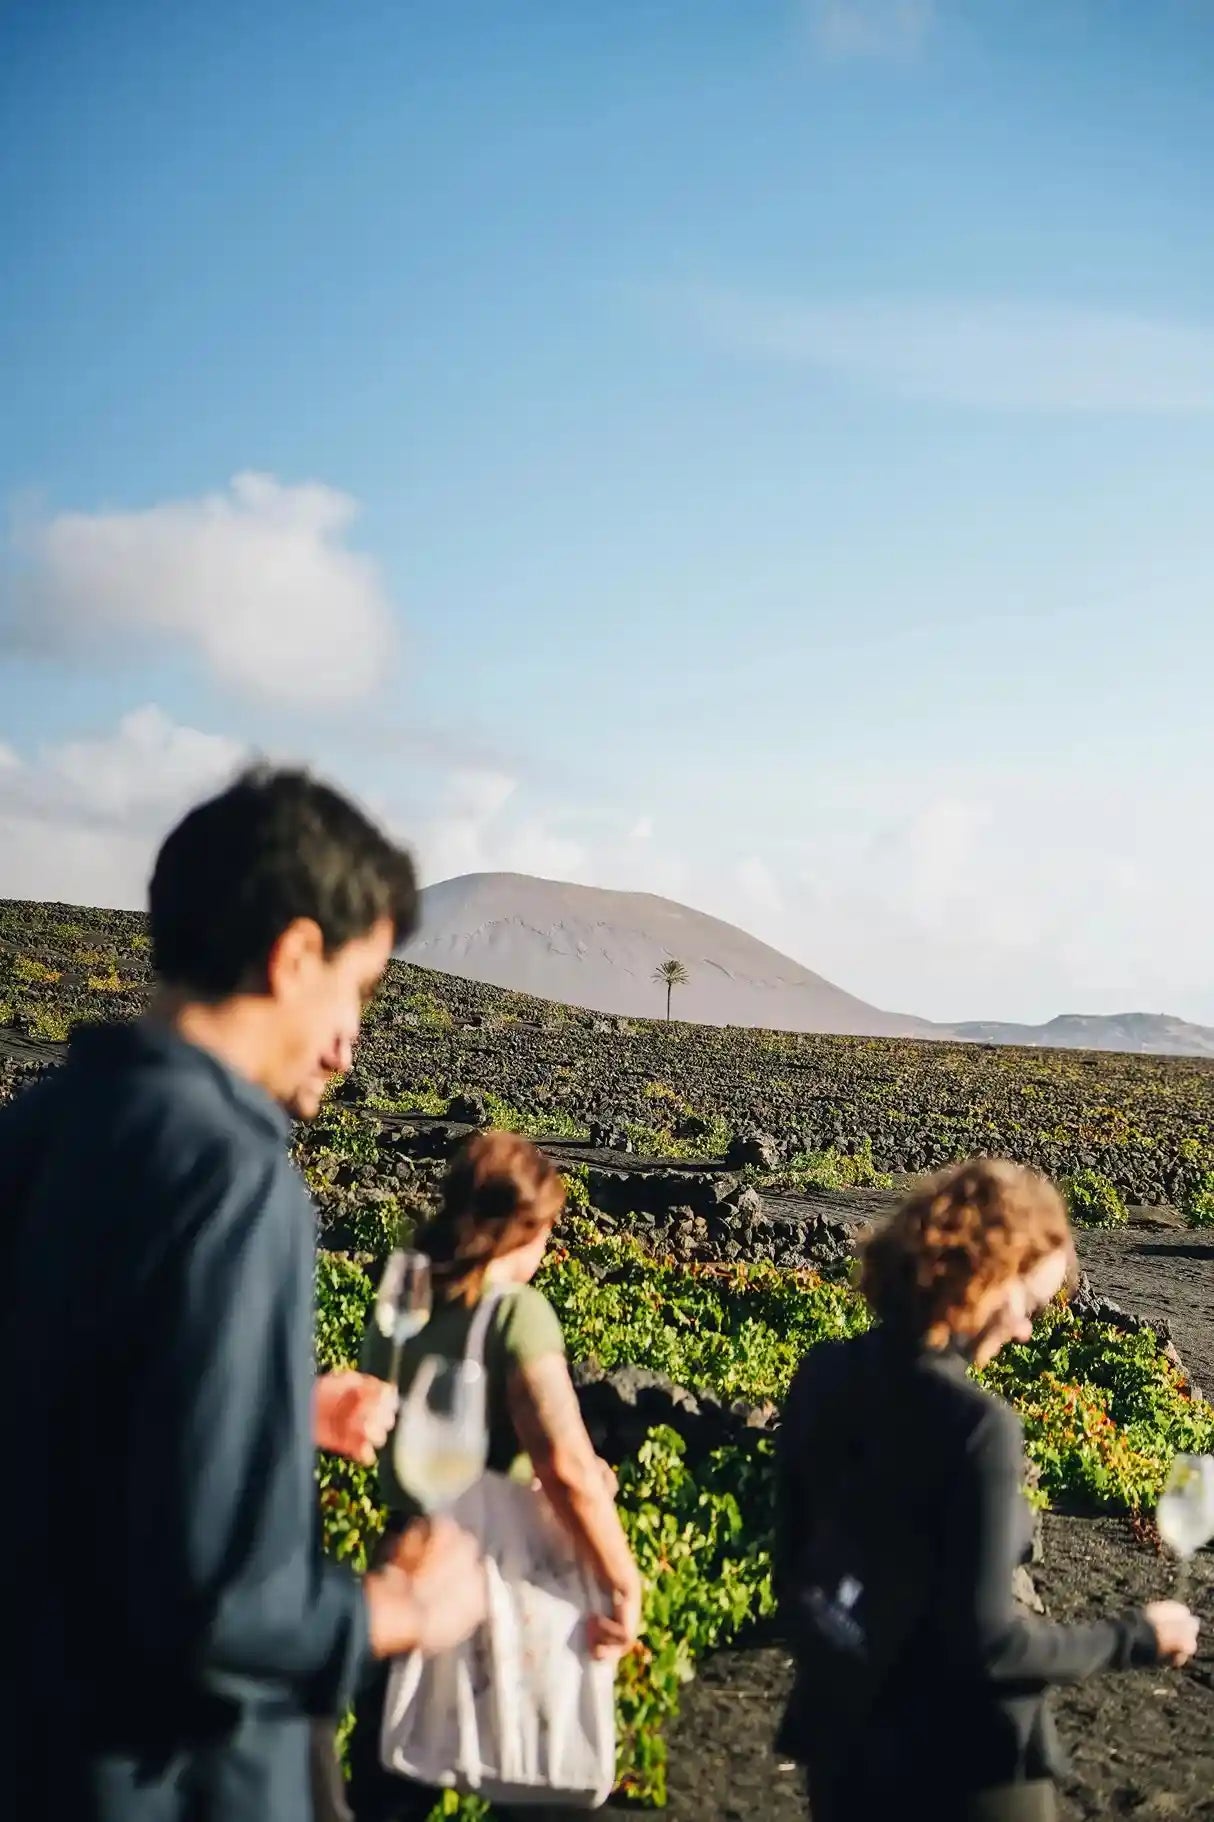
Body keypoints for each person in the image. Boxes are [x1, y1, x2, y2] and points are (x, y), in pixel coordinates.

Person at [0, 766, 486, 1822]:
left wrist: (272, 1414)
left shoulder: (38, 1130)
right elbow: (215, 1607)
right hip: (179, 1778)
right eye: (355, 989)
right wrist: (402, 1608)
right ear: (296, 953)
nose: (350, 1044)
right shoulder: (232, 1172)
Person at [775, 1156, 1199, 1822]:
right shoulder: (976, 1427)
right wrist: (1139, 1637)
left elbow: (795, 1575)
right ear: (987, 1276)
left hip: (842, 1747)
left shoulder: (824, 1372)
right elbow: (990, 1647)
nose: (1027, 1329)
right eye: (1028, 1303)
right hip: (962, 1768)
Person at [346, 1128, 643, 1822]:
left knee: (388, 1790)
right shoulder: (515, 1314)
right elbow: (564, 1465)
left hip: (403, 1562)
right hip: (495, 1575)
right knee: (531, 1790)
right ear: (527, 1227)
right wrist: (622, 1582)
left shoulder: (404, 1297)